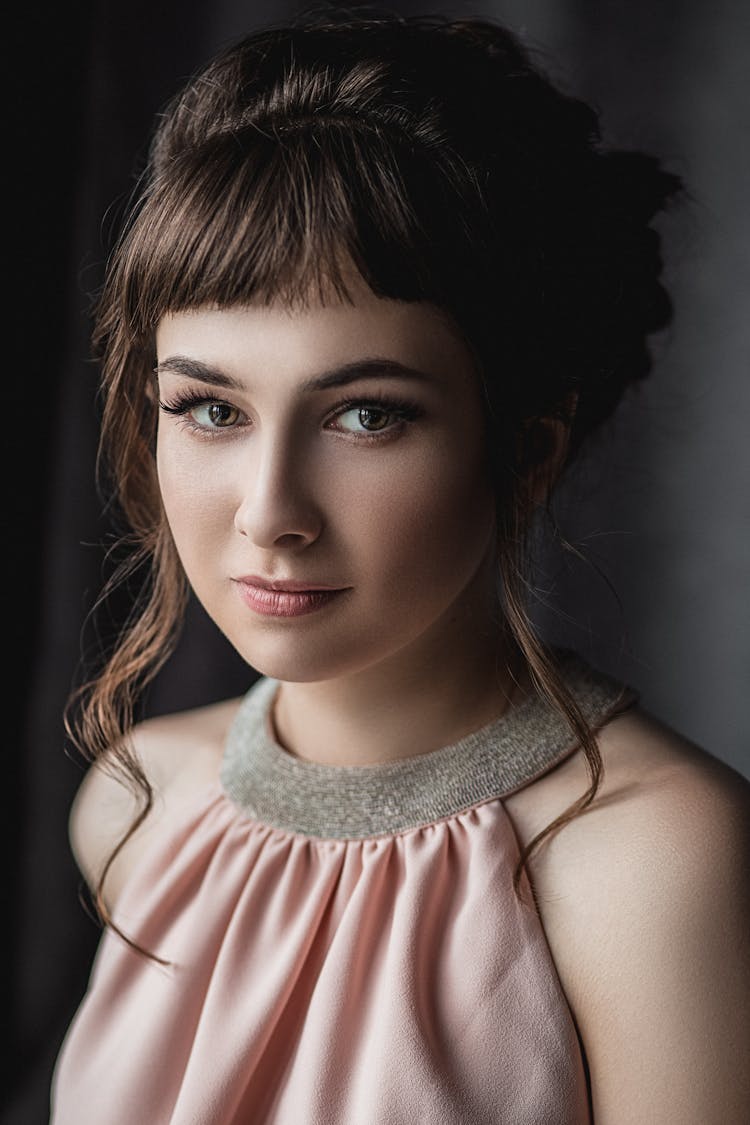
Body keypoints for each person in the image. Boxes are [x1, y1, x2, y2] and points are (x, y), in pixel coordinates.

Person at [49, 9, 750, 1124]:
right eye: (211, 407)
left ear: (524, 452)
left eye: (366, 415)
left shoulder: (655, 859)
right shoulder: (135, 803)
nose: (270, 512)